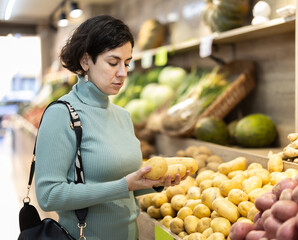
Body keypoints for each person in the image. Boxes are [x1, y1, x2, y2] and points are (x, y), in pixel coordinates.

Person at [34, 15, 188, 240]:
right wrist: (123, 185)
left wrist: (153, 183)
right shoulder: (62, 114)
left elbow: (125, 185)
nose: (123, 73)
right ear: (85, 61)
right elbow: (49, 195)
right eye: (113, 62)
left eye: (127, 63)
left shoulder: (123, 116)